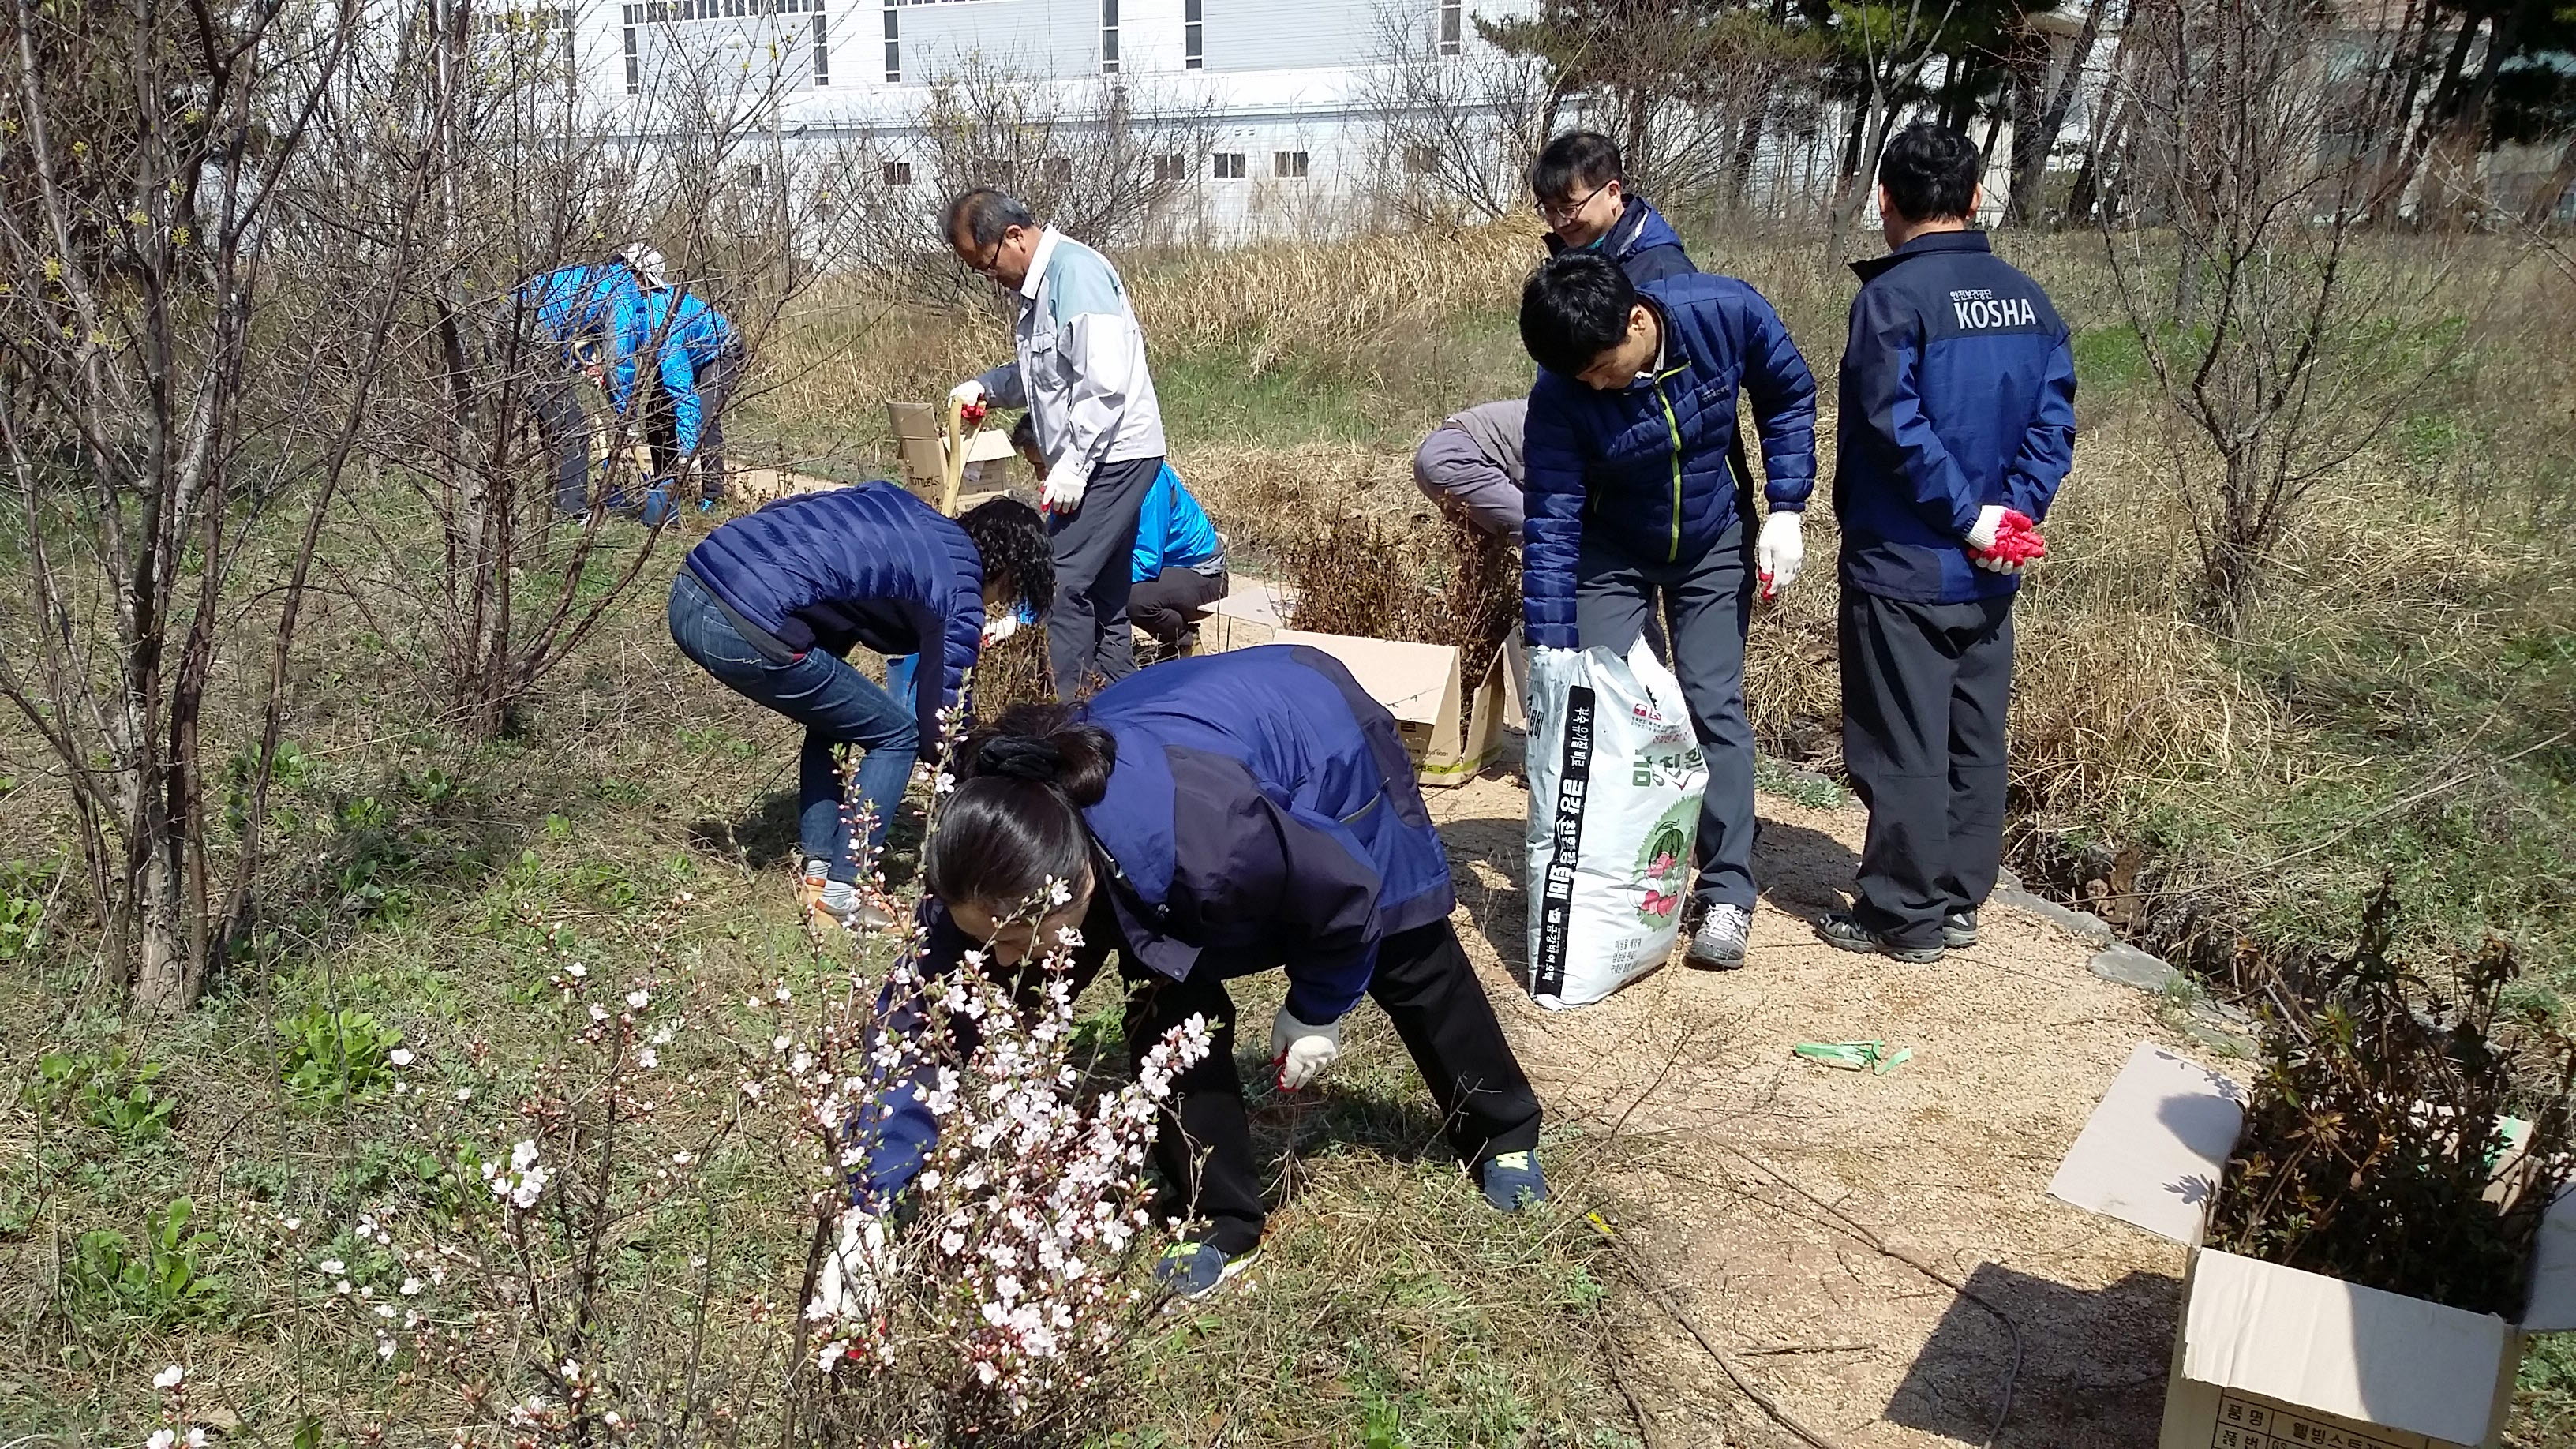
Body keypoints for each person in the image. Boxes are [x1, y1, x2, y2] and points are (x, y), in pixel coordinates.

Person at [848, 646, 1548, 1297]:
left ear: (1077, 886)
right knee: (1167, 1005)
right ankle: (1217, 1215)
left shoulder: (1220, 835)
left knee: (1409, 948)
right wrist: (870, 1200)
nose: (996, 960)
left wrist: (1317, 1009)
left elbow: (1343, 891)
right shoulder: (989, 860)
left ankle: (1503, 1133)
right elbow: (922, 1020)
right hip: (1174, 744)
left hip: (1317, 736)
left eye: (1013, 940)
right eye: (984, 938)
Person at [1819, 122, 2076, 962]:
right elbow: (2053, 424)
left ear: (1884, 201)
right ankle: (1960, 898)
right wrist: (2012, 518)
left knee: (1901, 740)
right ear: (1975, 199)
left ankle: (1903, 913)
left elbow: (1895, 426)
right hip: (1992, 564)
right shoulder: (2030, 299)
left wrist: (1968, 516)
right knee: (1973, 732)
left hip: (1906, 560)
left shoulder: (1891, 300)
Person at [1518, 253, 1818, 971]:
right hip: (1613, 546)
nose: (1594, 383)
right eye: (1579, 375)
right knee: (1597, 700)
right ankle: (1615, 882)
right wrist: (1551, 641)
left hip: (1713, 536)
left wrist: (1786, 507)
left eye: (1600, 366)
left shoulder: (1725, 312)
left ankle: (1726, 894)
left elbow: (1789, 392)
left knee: (1714, 700)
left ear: (1638, 321)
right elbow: (1554, 518)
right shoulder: (1562, 393)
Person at [667, 483, 1053, 932]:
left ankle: (817, 872)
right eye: (1008, 594)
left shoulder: (902, 514)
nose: (998, 603)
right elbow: (943, 724)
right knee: (897, 736)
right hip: (743, 619)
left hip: (694, 584)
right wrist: (980, 786)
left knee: (836, 716)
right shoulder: (958, 583)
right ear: (1005, 572)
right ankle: (841, 895)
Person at [945, 189, 1167, 701]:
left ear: (1014, 237)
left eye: (986, 265)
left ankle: (1070, 724)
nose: (989, 278)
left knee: (1060, 583)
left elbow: (1103, 382)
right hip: (1099, 455)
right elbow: (1042, 376)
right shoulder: (1039, 290)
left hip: (1114, 453)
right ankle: (1120, 710)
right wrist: (986, 388)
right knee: (1103, 593)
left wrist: (1074, 467)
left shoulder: (1076, 275)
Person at [1012, 413, 1226, 660]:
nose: (1040, 477)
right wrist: (1021, 617)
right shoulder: (1073, 485)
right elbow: (1058, 555)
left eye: (1042, 467)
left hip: (1198, 571)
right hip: (1148, 565)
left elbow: (1146, 559)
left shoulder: (1145, 479)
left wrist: (1088, 579)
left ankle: (1182, 640)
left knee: (1130, 598)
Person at [515, 244, 660, 515]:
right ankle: (572, 513)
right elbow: (619, 358)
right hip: (528, 338)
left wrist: (588, 364)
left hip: (507, 323)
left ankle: (551, 507)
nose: (646, 296)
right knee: (574, 430)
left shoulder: (595, 276)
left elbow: (565, 324)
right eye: (649, 288)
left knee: (556, 424)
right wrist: (625, 412)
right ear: (640, 277)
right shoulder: (624, 291)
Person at [626, 285, 746, 520]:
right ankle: (667, 487)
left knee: (705, 418)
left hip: (720, 352)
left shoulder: (663, 319)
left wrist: (686, 452)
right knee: (656, 414)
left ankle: (712, 496)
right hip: (687, 353)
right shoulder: (630, 310)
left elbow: (682, 391)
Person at [1532, 132, 1695, 286]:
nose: (1560, 223)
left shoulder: (1665, 273)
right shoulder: (1563, 266)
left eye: (1569, 208)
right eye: (1550, 209)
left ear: (1613, 194)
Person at [1411, 399, 1527, 540]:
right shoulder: (1552, 419)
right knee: (1546, 533)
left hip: (1432, 453)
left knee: (1484, 552)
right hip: (1458, 459)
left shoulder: (1541, 406)